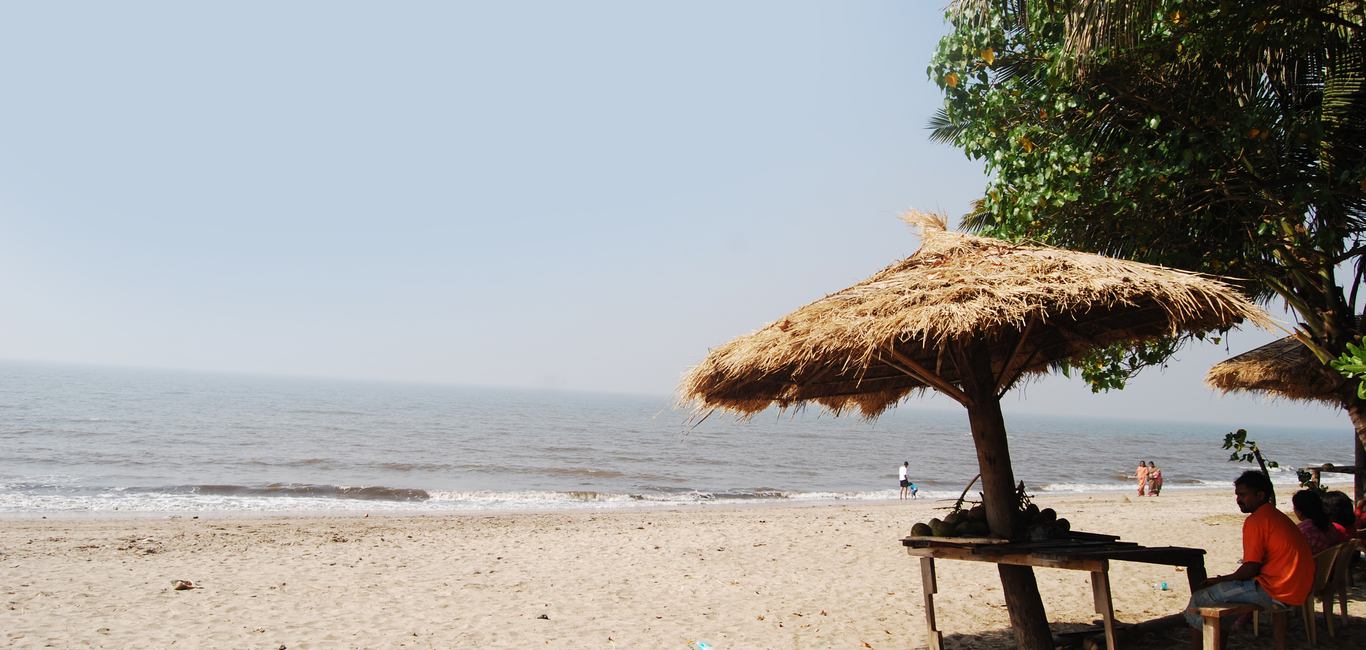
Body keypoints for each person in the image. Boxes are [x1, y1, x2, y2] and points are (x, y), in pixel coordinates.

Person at [1184, 470, 1314, 646]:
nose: (1238, 499)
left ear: (1260, 495)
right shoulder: (1276, 516)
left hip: (1277, 590)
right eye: (1237, 495)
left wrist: (1221, 580)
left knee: (1199, 600)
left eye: (1243, 495)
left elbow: (1251, 568)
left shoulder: (1257, 520)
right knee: (1223, 601)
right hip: (1298, 589)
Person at [1291, 489, 1347, 554]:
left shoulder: (1303, 531)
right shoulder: (1328, 524)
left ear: (1299, 512)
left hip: (1311, 563)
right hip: (1329, 562)